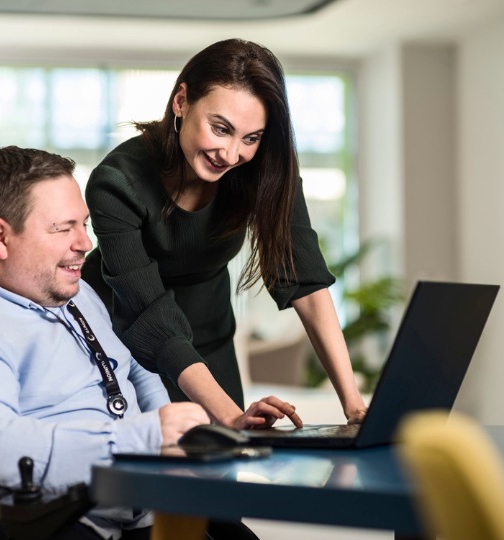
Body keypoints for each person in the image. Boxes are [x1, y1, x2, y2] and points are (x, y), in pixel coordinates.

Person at [0, 146, 214, 540]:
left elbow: (132, 369)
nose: (85, 243)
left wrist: (169, 444)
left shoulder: (73, 293)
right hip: (22, 524)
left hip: (126, 509)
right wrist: (143, 438)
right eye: (64, 228)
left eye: (84, 224)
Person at [81, 38, 367, 430]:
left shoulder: (263, 173)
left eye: (250, 138)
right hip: (127, 345)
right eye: (221, 129)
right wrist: (231, 415)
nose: (231, 155)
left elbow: (307, 284)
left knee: (225, 468)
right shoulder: (116, 183)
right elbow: (151, 313)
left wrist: (354, 406)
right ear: (181, 101)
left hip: (211, 342)